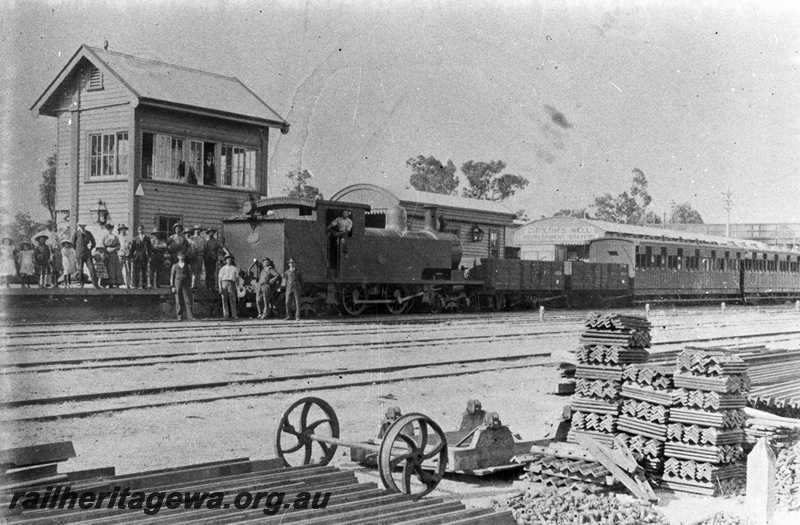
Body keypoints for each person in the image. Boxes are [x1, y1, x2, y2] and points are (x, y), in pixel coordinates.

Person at [72, 222, 98, 288]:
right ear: (79, 226)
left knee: (91, 268)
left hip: (87, 254)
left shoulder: (88, 233)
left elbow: (94, 243)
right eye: (81, 226)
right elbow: (73, 244)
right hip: (79, 254)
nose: (82, 227)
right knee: (80, 269)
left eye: (83, 225)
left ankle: (95, 284)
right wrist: (78, 250)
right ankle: (81, 283)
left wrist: (90, 249)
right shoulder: (76, 233)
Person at [170, 252, 195, 320]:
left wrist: (192, 283)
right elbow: (172, 276)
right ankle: (179, 316)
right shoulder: (175, 266)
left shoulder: (188, 266)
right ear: (178, 257)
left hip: (186, 284)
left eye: (183, 256)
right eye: (180, 256)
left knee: (188, 300)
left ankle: (190, 316)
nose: (181, 257)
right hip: (177, 284)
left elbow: (192, 274)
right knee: (178, 299)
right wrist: (172, 286)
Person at [217, 254, 239, 319]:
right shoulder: (222, 269)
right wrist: (220, 287)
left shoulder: (234, 268)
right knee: (224, 299)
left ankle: (234, 314)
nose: (229, 260)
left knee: (233, 299)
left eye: (230, 259)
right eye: (227, 259)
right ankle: (226, 314)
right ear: (225, 261)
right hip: (224, 283)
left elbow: (237, 278)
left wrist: (237, 286)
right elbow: (219, 279)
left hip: (231, 283)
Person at [101, 223, 121, 287]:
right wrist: (104, 252)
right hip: (106, 254)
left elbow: (119, 245)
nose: (110, 230)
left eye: (111, 229)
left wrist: (114, 248)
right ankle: (105, 283)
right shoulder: (104, 236)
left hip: (113, 255)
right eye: (108, 229)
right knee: (106, 268)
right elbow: (102, 245)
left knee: (113, 268)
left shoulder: (115, 237)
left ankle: (113, 283)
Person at [118, 224, 133, 288]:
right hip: (120, 255)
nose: (123, 231)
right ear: (120, 230)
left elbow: (131, 245)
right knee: (119, 269)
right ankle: (118, 283)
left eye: (124, 229)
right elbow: (116, 246)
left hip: (127, 255)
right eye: (121, 229)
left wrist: (129, 250)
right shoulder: (118, 237)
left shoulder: (129, 237)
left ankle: (128, 284)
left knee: (128, 270)